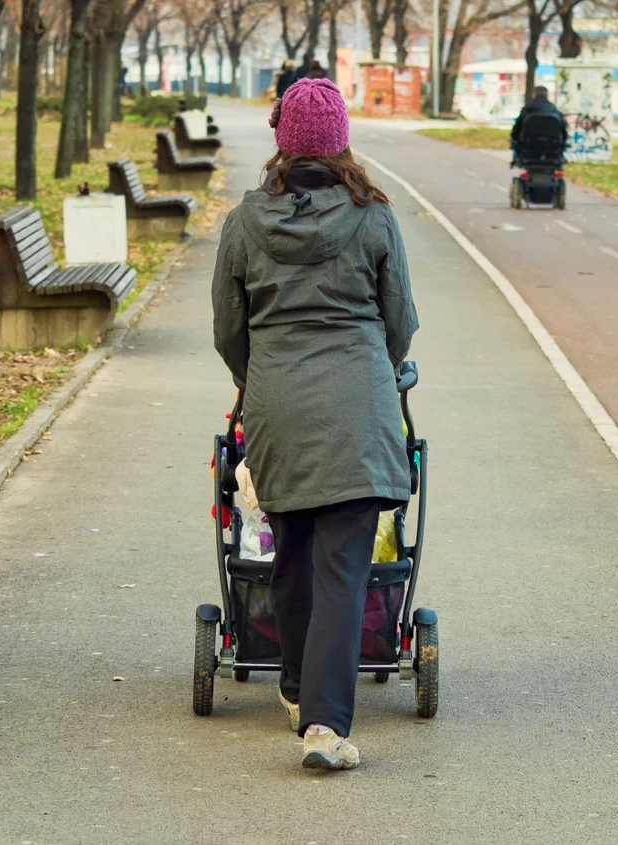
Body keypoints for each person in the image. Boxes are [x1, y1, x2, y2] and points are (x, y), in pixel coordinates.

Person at [212, 78, 418, 771]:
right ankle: (325, 727)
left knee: (292, 554)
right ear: (340, 143)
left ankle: (299, 693)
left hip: (278, 407)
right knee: (341, 568)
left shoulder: (245, 223)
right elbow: (400, 323)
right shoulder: (374, 217)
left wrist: (257, 375)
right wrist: (378, 370)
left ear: (281, 144)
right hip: (359, 408)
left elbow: (227, 329)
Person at [510, 85, 569, 153]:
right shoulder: (554, 109)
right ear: (547, 95)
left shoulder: (527, 109)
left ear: (533, 95)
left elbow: (517, 127)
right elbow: (563, 127)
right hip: (552, 147)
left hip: (528, 147)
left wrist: (514, 139)